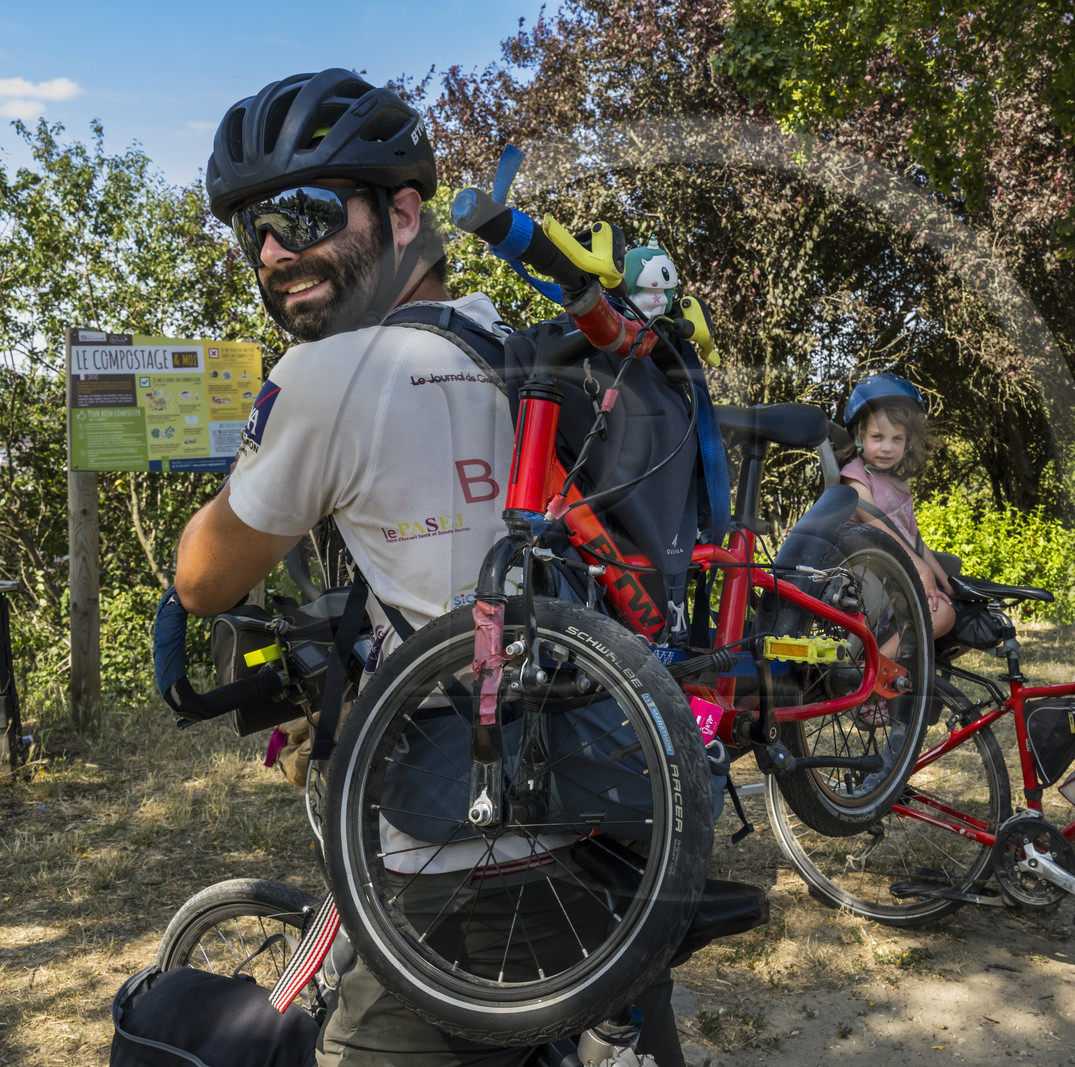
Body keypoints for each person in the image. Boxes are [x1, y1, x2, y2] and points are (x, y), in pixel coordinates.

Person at [174, 69, 683, 1067]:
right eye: (253, 234)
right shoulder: (512, 336)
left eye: (304, 215)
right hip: (615, 820)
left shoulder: (328, 374)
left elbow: (203, 577)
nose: (275, 252)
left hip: (455, 854)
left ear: (405, 212)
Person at [838, 373, 958, 641]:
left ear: (907, 442)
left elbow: (914, 540)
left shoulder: (900, 483)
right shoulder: (855, 475)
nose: (887, 448)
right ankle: (870, 671)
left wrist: (947, 583)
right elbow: (874, 523)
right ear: (859, 436)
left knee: (962, 614)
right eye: (877, 437)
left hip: (900, 573)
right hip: (868, 577)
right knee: (942, 616)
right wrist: (921, 570)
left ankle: (906, 667)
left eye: (897, 439)